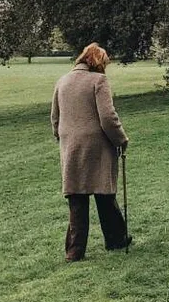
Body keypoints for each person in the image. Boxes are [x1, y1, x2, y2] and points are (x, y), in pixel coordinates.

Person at [51, 43, 131, 261]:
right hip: (97, 146)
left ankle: (74, 251)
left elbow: (55, 117)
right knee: (104, 194)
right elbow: (108, 117)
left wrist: (62, 137)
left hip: (71, 146)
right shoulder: (99, 81)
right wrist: (121, 139)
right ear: (97, 62)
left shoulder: (63, 81)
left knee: (76, 198)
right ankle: (116, 239)